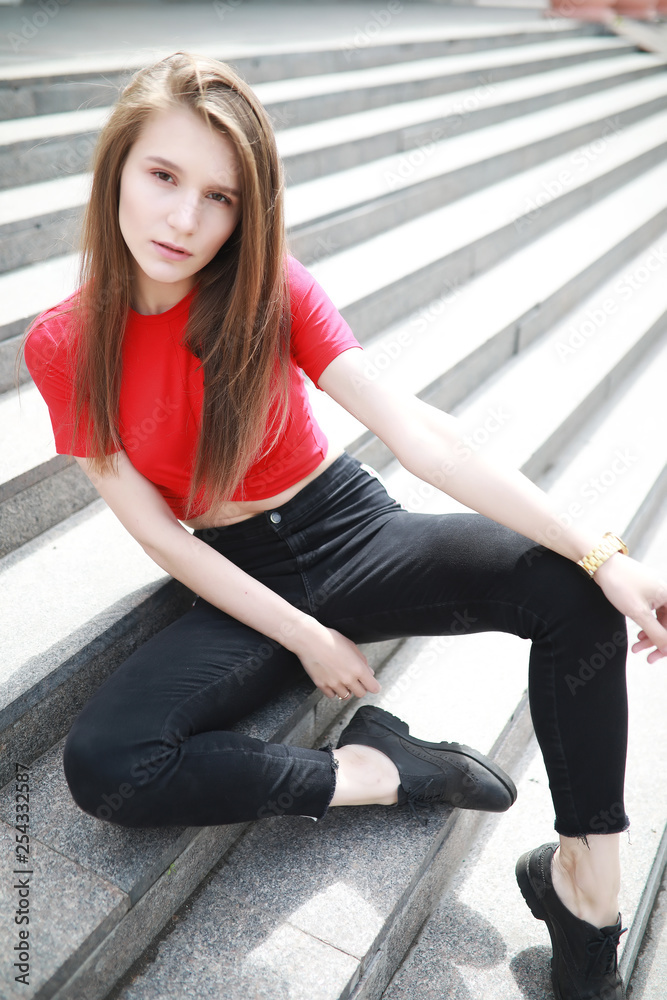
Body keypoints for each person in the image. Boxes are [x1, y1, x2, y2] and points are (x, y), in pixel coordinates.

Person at [19, 51, 667, 1000]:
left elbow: (424, 439)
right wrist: (302, 633)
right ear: (116, 167)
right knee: (106, 763)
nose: (185, 219)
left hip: (349, 528)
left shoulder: (268, 287)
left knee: (573, 593)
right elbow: (158, 534)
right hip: (238, 577)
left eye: (219, 197)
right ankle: (378, 768)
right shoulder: (66, 343)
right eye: (162, 176)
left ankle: (586, 895)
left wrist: (600, 551)